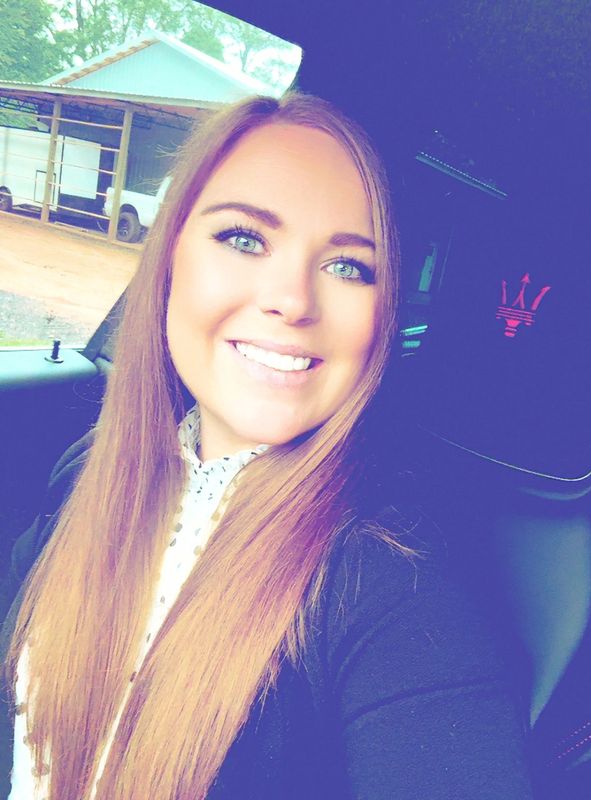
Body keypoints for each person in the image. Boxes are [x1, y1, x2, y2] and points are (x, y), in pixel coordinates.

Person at [0, 92, 533, 799]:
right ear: (169, 259)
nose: (293, 300)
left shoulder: (389, 590)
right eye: (244, 239)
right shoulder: (85, 472)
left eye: (349, 267)